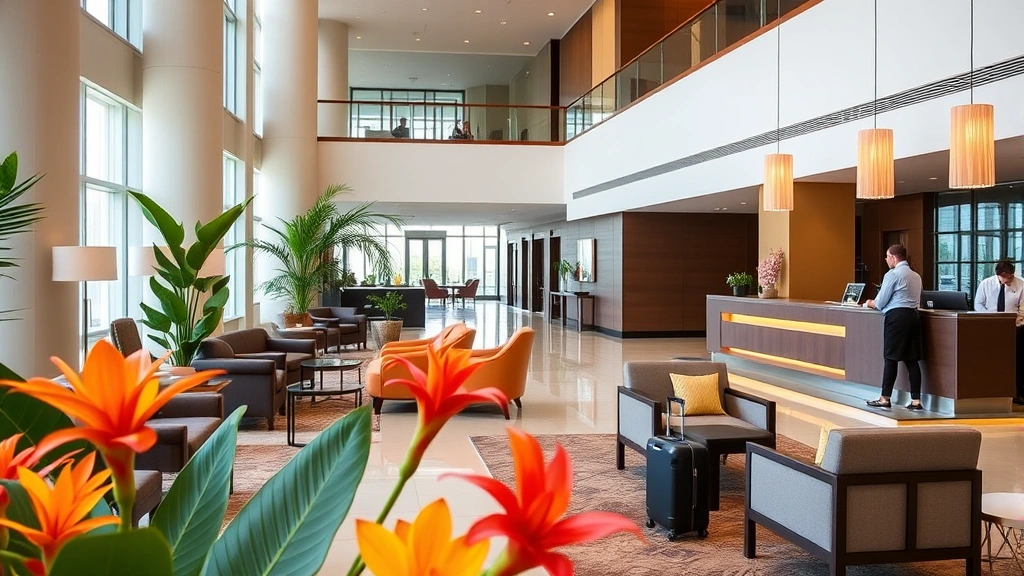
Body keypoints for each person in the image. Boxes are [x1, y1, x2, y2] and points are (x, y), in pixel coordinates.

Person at [863, 244, 925, 410]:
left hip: (896, 318)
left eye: (887, 256)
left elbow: (880, 302)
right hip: (913, 317)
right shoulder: (916, 276)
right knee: (911, 359)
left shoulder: (893, 274)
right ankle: (916, 401)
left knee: (890, 358)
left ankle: (885, 398)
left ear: (893, 257)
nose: (886, 259)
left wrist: (868, 303)